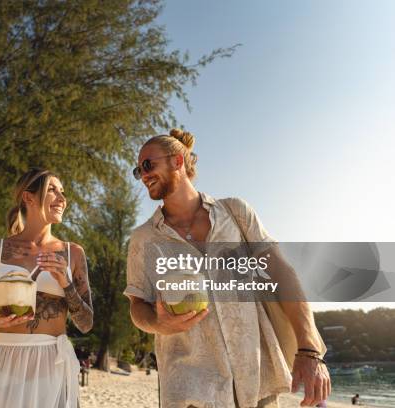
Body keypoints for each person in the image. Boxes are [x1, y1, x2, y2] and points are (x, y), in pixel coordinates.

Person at [124, 129, 331, 408]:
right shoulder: (143, 239)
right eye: (138, 171)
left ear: (177, 161)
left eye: (148, 164)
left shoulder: (236, 213)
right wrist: (157, 323)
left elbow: (283, 275)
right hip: (190, 389)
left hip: (257, 384)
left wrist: (309, 349)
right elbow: (137, 306)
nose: (144, 175)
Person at [0, 168, 93, 408]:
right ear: (28, 197)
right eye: (52, 190)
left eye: (62, 192)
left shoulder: (73, 253)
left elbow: (86, 323)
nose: (62, 199)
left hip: (50, 364)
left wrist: (66, 283)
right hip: (1, 362)